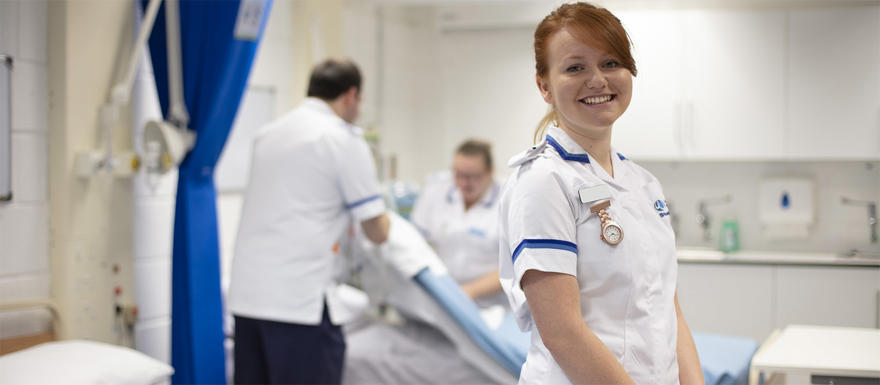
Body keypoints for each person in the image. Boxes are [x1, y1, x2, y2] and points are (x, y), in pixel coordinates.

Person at [497, 3, 703, 384]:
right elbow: (563, 333)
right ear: (544, 86)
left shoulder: (642, 183)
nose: (598, 80)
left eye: (611, 63)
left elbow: (667, 309)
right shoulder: (543, 181)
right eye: (575, 67)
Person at [227, 58, 390, 385]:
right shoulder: (343, 139)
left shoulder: (267, 134)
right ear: (351, 96)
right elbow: (378, 231)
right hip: (299, 306)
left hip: (248, 301)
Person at [410, 139, 504, 306]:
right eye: (459, 175)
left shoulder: (508, 201)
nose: (464, 184)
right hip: (445, 298)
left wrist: (470, 291)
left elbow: (516, 266)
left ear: (491, 171)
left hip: (494, 305)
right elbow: (416, 244)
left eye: (473, 177)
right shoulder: (435, 194)